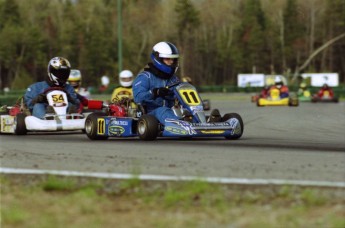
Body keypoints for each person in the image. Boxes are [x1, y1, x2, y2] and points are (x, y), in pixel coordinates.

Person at [133, 41, 220, 124]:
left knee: (185, 110)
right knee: (163, 110)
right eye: (168, 59)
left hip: (172, 110)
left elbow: (178, 95)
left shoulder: (173, 79)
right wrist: (155, 92)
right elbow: (138, 97)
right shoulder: (145, 77)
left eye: (173, 60)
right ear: (158, 59)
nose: (171, 62)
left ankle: (204, 122)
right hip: (151, 113)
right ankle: (183, 123)